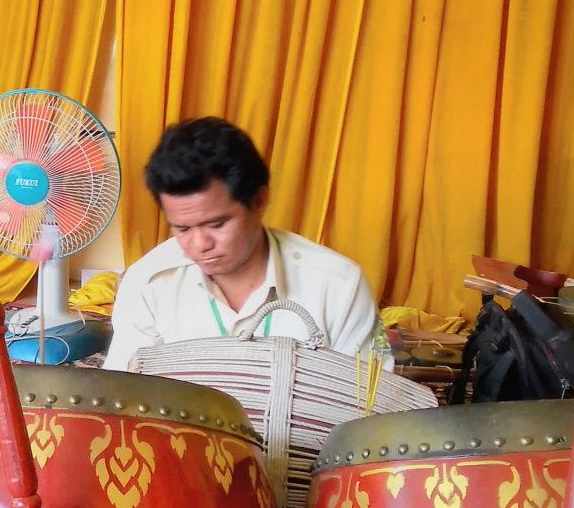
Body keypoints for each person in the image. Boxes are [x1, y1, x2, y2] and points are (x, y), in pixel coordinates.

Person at [102, 117, 380, 371]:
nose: (200, 245)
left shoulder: (339, 285)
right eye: (182, 228)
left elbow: (367, 401)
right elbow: (127, 390)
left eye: (217, 224)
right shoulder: (148, 281)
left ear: (259, 201)